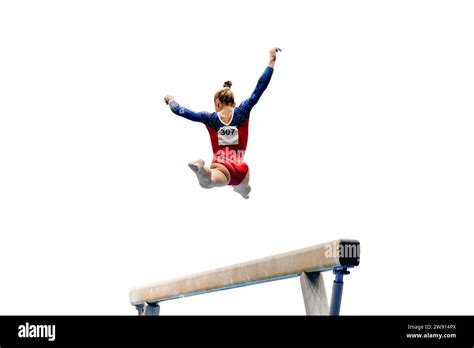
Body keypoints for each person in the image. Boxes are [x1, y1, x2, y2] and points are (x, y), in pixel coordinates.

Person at [164, 48, 281, 199]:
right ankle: (242, 191)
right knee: (244, 190)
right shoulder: (242, 112)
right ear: (233, 103)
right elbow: (259, 88)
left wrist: (171, 100)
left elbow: (181, 111)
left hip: (221, 165)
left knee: (208, 182)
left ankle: (202, 170)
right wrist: (271, 61)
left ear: (217, 104)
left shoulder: (210, 118)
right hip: (240, 166)